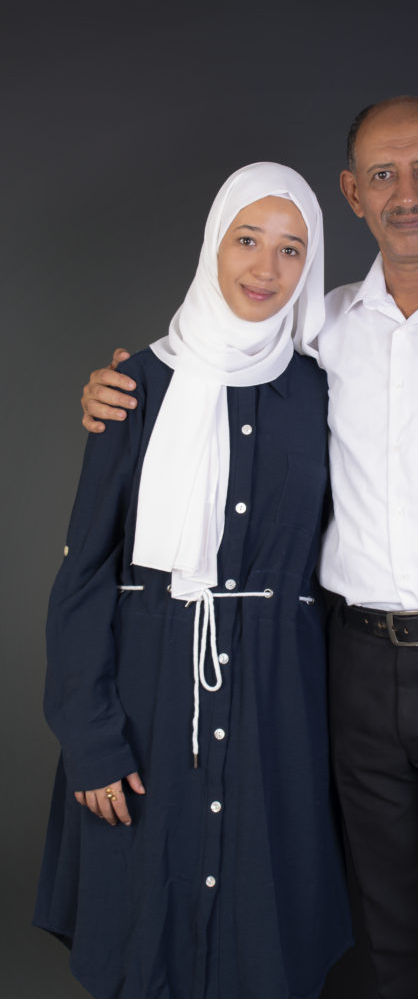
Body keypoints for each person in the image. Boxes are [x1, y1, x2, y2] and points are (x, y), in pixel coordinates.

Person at [79, 97, 418, 999]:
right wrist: (117, 394)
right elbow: (219, 362)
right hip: (353, 672)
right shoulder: (319, 328)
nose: (405, 193)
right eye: (381, 175)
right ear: (351, 194)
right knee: (373, 943)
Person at [34, 162, 352, 999]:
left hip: (281, 704)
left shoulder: (327, 391)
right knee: (147, 918)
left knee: (265, 925)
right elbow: (84, 573)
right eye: (248, 240)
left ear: (309, 267)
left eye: (292, 250)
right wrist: (93, 740)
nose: (265, 269)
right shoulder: (136, 383)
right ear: (214, 243)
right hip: (147, 695)